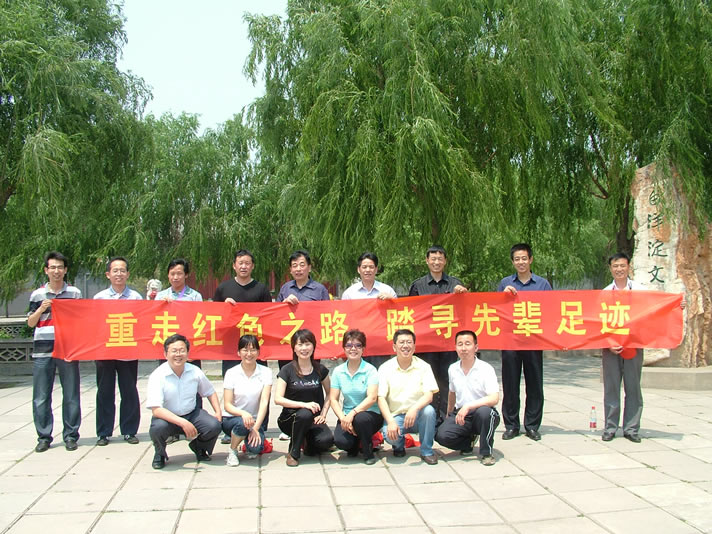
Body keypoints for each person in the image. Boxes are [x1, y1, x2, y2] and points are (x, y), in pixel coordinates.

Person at [213, 249, 272, 443]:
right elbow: (213, 317)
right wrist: (223, 307)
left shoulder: (262, 289)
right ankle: (232, 428)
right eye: (240, 263)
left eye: (247, 263)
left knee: (261, 389)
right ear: (234, 266)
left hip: (254, 349)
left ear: (252, 266)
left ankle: (260, 427)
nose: (244, 266)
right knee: (233, 388)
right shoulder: (223, 289)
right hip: (231, 349)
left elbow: (270, 317)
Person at [497, 243, 552, 442]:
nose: (521, 262)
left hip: (533, 342)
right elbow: (495, 311)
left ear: (531, 260)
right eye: (517, 259)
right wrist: (503, 297)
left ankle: (532, 426)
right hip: (510, 342)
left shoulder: (542, 284)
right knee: (510, 384)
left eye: (524, 258)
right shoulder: (505, 283)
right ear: (512, 262)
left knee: (535, 384)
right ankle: (511, 426)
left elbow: (551, 310)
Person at [28, 251, 82, 452]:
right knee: (41, 396)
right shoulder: (38, 294)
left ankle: (71, 435)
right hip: (43, 351)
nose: (56, 271)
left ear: (65, 270)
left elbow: (81, 320)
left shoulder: (74, 293)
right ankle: (44, 437)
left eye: (60, 267)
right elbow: (30, 323)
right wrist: (41, 309)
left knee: (71, 394)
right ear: (46, 270)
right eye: (52, 267)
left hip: (67, 350)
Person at [408, 245, 467, 424]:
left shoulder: (455, 283)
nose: (436, 262)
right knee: (428, 380)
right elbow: (410, 312)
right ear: (427, 261)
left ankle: (446, 417)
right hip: (426, 344)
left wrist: (463, 294)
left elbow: (465, 310)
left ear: (445, 261)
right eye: (433, 259)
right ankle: (430, 418)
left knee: (447, 379)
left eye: (440, 259)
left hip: (448, 343)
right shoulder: (418, 286)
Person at [146, 334, 222, 469]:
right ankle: (160, 453)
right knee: (157, 428)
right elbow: (156, 409)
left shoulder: (194, 371)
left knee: (214, 425)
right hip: (167, 417)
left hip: (191, 414)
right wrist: (182, 422)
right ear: (165, 354)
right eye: (174, 351)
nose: (178, 355)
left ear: (187, 353)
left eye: (182, 350)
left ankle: (199, 447)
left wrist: (218, 411)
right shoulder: (158, 375)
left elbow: (210, 392)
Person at [93, 256, 143, 446]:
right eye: (115, 270)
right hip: (105, 352)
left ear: (128, 274)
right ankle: (103, 432)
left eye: (122, 270)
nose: (119, 274)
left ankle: (129, 431)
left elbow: (142, 322)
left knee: (129, 391)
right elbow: (94, 324)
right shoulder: (99, 298)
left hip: (128, 351)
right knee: (104, 392)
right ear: (108, 274)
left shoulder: (136, 297)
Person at [435, 330, 500, 466]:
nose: (463, 348)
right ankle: (468, 442)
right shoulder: (453, 368)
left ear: (476, 347)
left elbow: (494, 398)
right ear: (455, 348)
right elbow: (452, 393)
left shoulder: (485, 369)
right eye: (460, 344)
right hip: (461, 414)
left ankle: (486, 452)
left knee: (485, 413)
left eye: (468, 344)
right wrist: (449, 413)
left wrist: (468, 406)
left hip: (482, 413)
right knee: (441, 435)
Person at [378, 329, 439, 465]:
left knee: (429, 411)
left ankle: (427, 451)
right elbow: (381, 398)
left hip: (417, 415)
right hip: (396, 415)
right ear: (394, 347)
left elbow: (429, 395)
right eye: (401, 342)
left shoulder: (424, 367)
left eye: (409, 342)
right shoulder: (385, 368)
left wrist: (414, 409)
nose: (405, 346)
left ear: (414, 346)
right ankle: (399, 445)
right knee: (390, 435)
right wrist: (390, 421)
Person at [275, 329, 334, 466]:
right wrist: (304, 405)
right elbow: (278, 399)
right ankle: (293, 453)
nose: (304, 348)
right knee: (304, 414)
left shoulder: (320, 370)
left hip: (314, 419)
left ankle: (306, 442)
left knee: (325, 441)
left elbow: (330, 393)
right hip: (290, 419)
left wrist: (323, 414)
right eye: (300, 345)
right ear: (294, 348)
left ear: (313, 346)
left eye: (307, 344)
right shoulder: (287, 370)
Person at [329, 330, 383, 465]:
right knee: (342, 442)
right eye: (349, 345)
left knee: (360, 419)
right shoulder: (338, 371)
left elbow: (372, 398)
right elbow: (333, 399)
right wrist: (343, 418)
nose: (353, 349)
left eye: (358, 345)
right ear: (344, 348)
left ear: (363, 349)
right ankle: (355, 444)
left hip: (369, 415)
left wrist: (353, 414)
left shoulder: (370, 370)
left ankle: (368, 451)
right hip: (347, 415)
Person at [222, 335, 272, 466]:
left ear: (258, 352)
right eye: (245, 350)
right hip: (233, 419)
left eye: (253, 350)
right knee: (243, 424)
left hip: (254, 421)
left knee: (255, 449)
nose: (249, 354)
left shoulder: (266, 372)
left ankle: (245, 439)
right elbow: (227, 405)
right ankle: (233, 450)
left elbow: (264, 402)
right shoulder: (231, 373)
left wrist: (256, 428)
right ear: (238, 352)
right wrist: (243, 414)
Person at [341, 252, 397, 368]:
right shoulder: (349, 293)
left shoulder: (387, 290)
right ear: (358, 269)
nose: (368, 270)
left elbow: (398, 316)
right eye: (364, 267)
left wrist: (392, 301)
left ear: (376, 269)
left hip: (381, 345)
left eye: (371, 267)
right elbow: (343, 319)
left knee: (380, 374)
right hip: (356, 345)